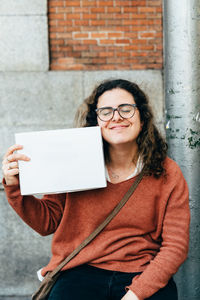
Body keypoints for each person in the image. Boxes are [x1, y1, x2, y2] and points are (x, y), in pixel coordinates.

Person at [2, 79, 190, 300]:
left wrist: (136, 294)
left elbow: (174, 246)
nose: (116, 117)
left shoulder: (167, 172)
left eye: (126, 109)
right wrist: (14, 186)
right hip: (79, 271)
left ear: (142, 117)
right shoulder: (73, 161)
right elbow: (46, 223)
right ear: (96, 120)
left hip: (141, 272)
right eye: (106, 111)